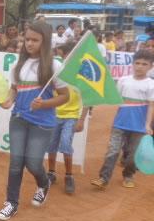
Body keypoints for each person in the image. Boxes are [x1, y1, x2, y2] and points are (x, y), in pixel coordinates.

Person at [0, 21, 69, 221]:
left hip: (43, 122)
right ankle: (11, 203)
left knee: (33, 163)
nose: (29, 43)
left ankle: (43, 184)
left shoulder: (54, 66)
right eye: (27, 39)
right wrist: (9, 101)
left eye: (35, 40)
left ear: (45, 42)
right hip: (19, 118)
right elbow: (14, 90)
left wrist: (45, 104)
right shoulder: (18, 65)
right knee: (16, 162)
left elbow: (65, 97)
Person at [91, 50, 154, 190]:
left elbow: (151, 106)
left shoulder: (151, 84)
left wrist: (148, 125)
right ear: (132, 64)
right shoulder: (123, 80)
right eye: (137, 63)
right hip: (120, 123)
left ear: (150, 66)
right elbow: (116, 100)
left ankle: (128, 175)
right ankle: (103, 177)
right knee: (112, 151)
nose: (140, 66)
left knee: (133, 155)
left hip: (139, 127)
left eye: (144, 64)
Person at [46, 43, 88, 194]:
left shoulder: (82, 76)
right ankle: (51, 173)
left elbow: (88, 99)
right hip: (54, 115)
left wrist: (81, 120)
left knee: (65, 143)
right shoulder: (56, 73)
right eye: (65, 55)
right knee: (51, 145)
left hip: (71, 117)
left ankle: (69, 176)